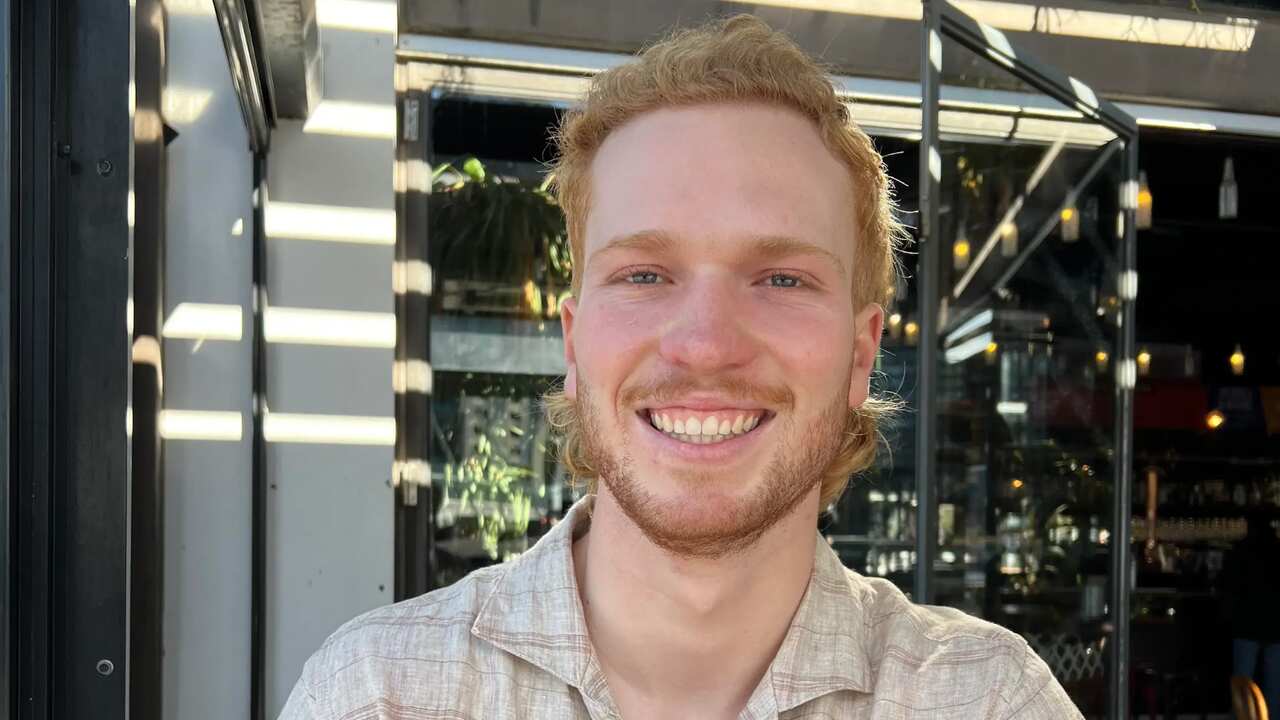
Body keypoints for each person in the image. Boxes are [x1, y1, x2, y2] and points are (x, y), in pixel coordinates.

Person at [280, 15, 1080, 719]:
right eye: (644, 275)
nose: (703, 344)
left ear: (860, 355)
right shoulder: (376, 695)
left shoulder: (988, 700)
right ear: (574, 341)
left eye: (781, 279)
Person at [1226, 509, 1280, 713]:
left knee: (1243, 684)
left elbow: (1229, 586)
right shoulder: (1277, 550)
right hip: (1275, 625)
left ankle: (1243, 717)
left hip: (1247, 624)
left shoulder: (1241, 550)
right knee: (1274, 689)